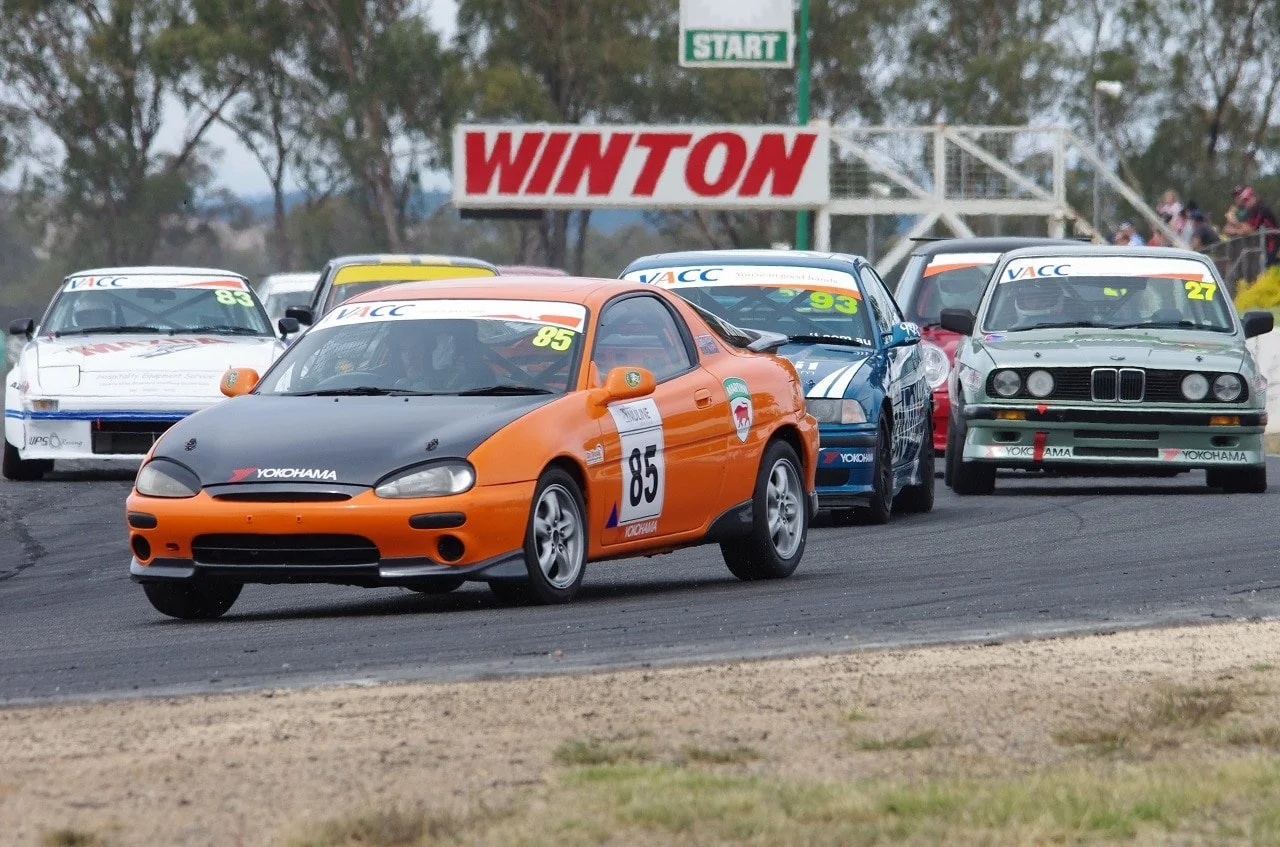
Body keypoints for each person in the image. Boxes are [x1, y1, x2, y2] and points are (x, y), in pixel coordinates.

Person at [391, 321, 491, 392]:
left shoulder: (471, 381)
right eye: (403, 350)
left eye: (416, 349)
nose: (409, 357)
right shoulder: (389, 381)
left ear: (429, 352)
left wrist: (462, 378)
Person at [1236, 187, 1279, 266]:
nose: (1246, 203)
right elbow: (1245, 227)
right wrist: (1241, 228)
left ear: (1254, 197)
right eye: (1244, 201)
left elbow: (1249, 229)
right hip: (1265, 245)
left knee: (1270, 265)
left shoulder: (1261, 208)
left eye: (1247, 200)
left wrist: (1236, 229)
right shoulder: (1252, 211)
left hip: (1273, 243)